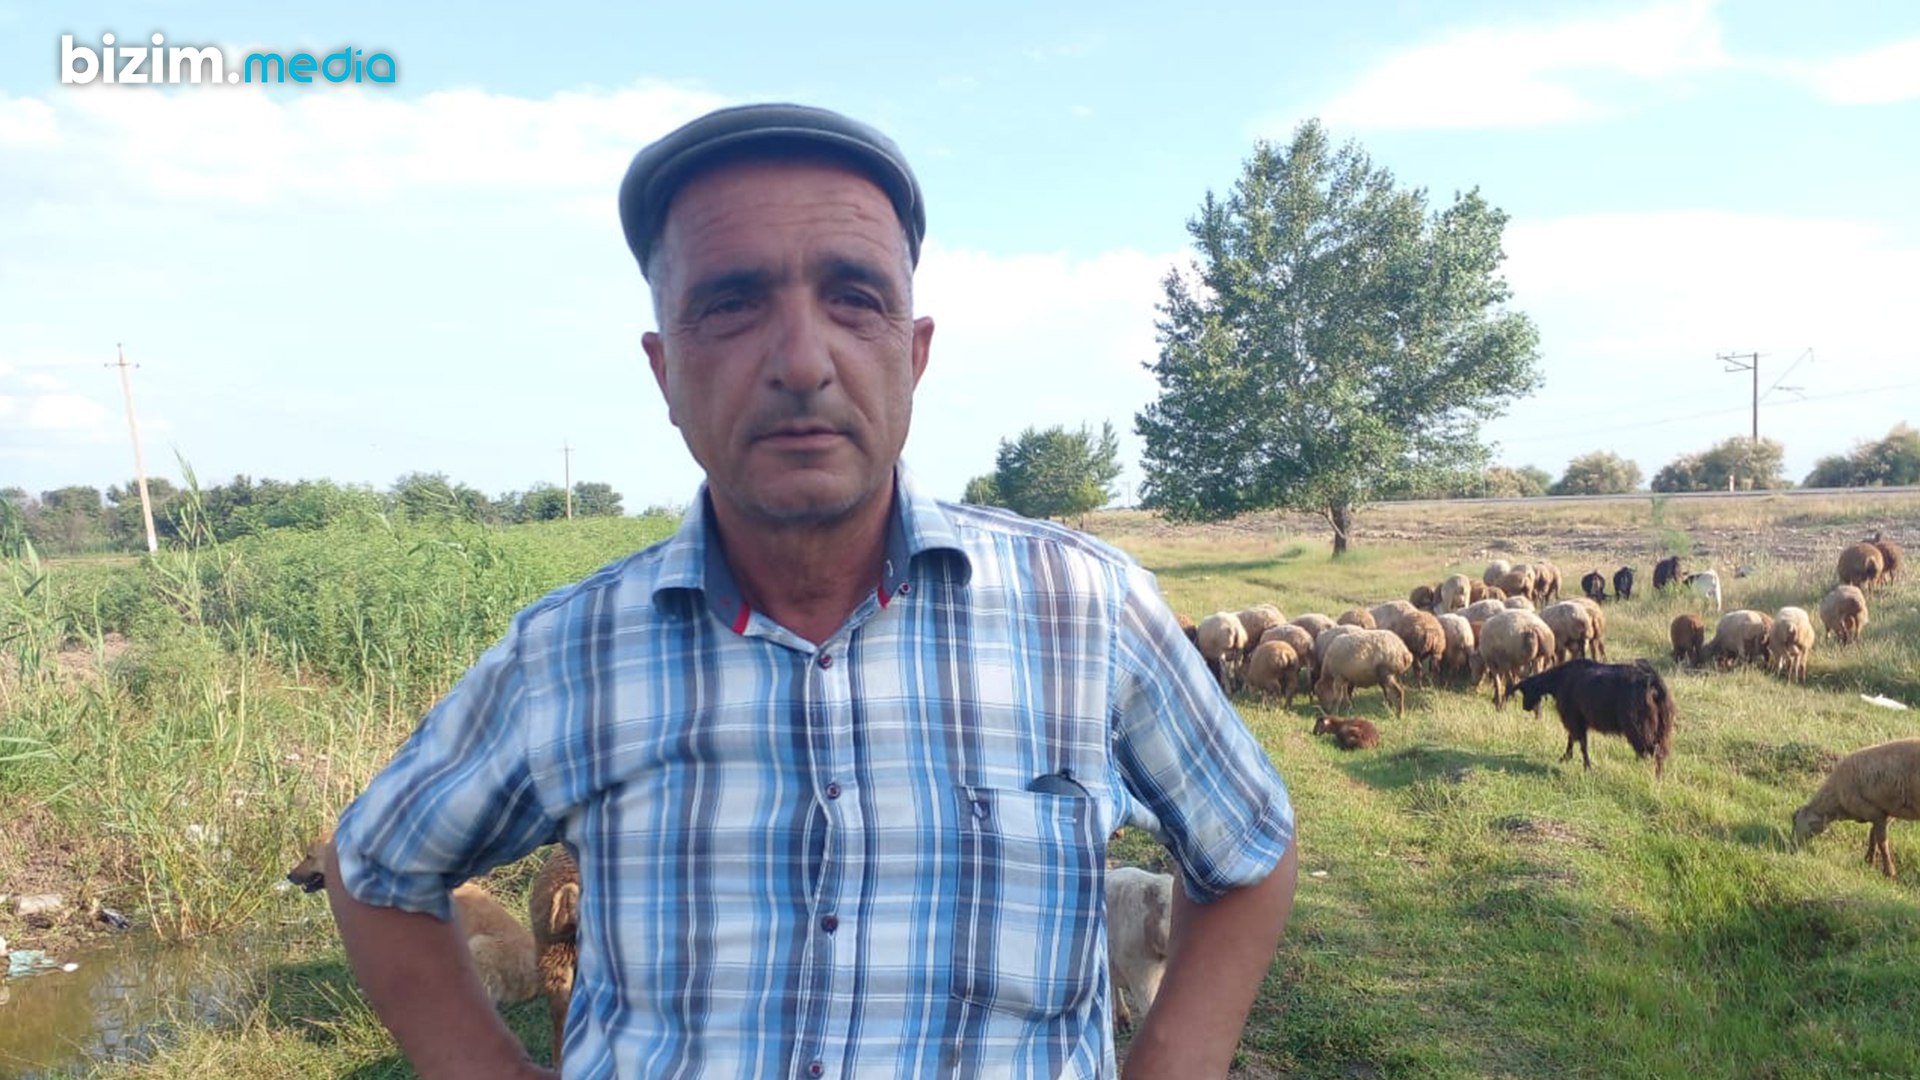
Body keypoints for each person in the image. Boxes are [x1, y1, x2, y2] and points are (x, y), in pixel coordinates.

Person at [323, 102, 1297, 1079]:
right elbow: (375, 867)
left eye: (855, 298)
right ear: (664, 371)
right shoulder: (566, 657)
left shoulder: (1086, 613)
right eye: (731, 304)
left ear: (913, 354)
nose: (799, 362)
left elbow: (1249, 848)